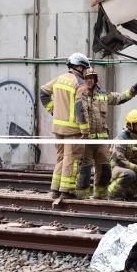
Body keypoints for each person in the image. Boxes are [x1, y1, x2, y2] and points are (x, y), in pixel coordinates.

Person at [73, 68, 137, 199]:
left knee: (104, 169)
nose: (89, 80)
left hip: (102, 141)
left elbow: (119, 97)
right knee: (84, 170)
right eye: (86, 78)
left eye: (91, 78)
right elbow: (76, 113)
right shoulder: (80, 95)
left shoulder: (102, 95)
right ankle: (81, 198)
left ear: (96, 79)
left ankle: (101, 196)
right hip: (86, 140)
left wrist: (134, 89)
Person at [39, 52, 90, 198]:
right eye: (85, 68)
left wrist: (53, 110)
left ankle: (55, 189)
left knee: (61, 158)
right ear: (79, 67)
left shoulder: (59, 79)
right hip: (73, 129)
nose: (86, 72)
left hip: (58, 128)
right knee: (72, 159)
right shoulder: (80, 84)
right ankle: (66, 191)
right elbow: (80, 109)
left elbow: (43, 92)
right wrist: (85, 130)